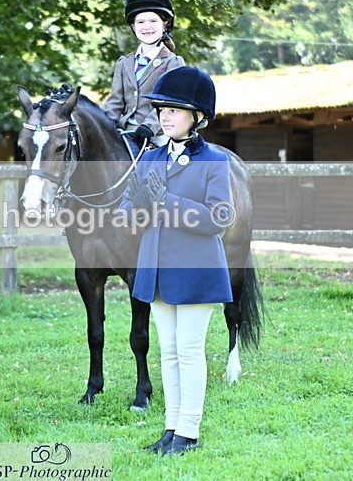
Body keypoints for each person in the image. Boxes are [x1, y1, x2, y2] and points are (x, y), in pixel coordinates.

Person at [120, 66, 233, 455]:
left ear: (197, 116)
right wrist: (137, 205)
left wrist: (166, 202)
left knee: (188, 350)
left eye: (174, 110)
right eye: (162, 110)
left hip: (196, 269)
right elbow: (128, 211)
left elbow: (218, 219)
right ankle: (171, 428)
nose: (165, 117)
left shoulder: (215, 161)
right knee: (167, 351)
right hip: (156, 268)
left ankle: (189, 431)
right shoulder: (149, 158)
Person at [103, 0, 185, 159]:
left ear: (165, 24)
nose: (147, 27)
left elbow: (169, 103)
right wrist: (107, 123)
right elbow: (115, 102)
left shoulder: (173, 62)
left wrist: (149, 126)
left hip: (158, 134)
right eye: (140, 22)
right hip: (125, 133)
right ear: (133, 26)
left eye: (153, 21)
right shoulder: (124, 63)